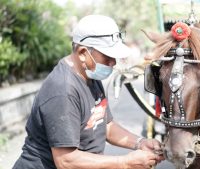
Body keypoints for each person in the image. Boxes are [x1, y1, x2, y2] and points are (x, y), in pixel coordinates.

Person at [13, 14, 164, 169]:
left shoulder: (89, 75)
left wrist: (140, 143)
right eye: (108, 57)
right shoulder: (63, 90)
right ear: (83, 53)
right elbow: (66, 161)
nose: (113, 62)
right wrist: (125, 162)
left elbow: (105, 125)